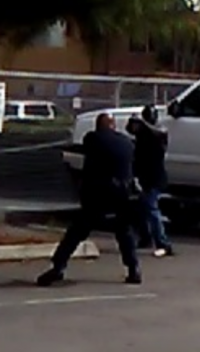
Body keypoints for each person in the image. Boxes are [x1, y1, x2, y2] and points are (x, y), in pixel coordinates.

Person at [36, 113, 141, 286]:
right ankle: (133, 269)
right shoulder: (127, 143)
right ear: (114, 126)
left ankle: (58, 267)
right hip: (122, 193)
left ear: (98, 126)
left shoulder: (93, 138)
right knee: (124, 232)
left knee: (76, 232)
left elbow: (88, 154)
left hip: (98, 193)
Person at [126, 104, 174, 258]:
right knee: (141, 208)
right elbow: (130, 129)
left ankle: (163, 243)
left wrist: (142, 124)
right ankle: (145, 238)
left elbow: (156, 134)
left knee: (152, 209)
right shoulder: (144, 134)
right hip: (145, 176)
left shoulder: (156, 133)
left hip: (153, 178)